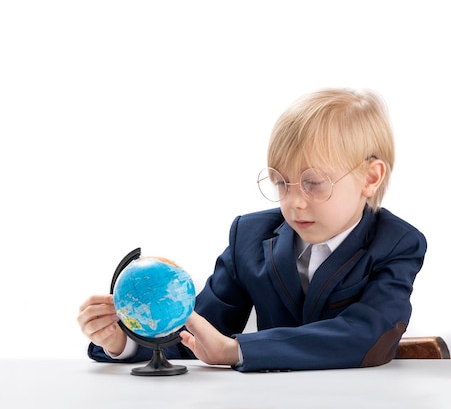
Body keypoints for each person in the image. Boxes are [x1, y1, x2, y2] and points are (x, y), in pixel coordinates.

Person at [77, 88, 427, 372]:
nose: (294, 203)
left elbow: (366, 334)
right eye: (281, 183)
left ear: (370, 177)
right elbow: (198, 332)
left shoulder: (397, 243)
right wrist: (123, 342)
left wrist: (237, 350)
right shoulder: (250, 236)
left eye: (314, 183)